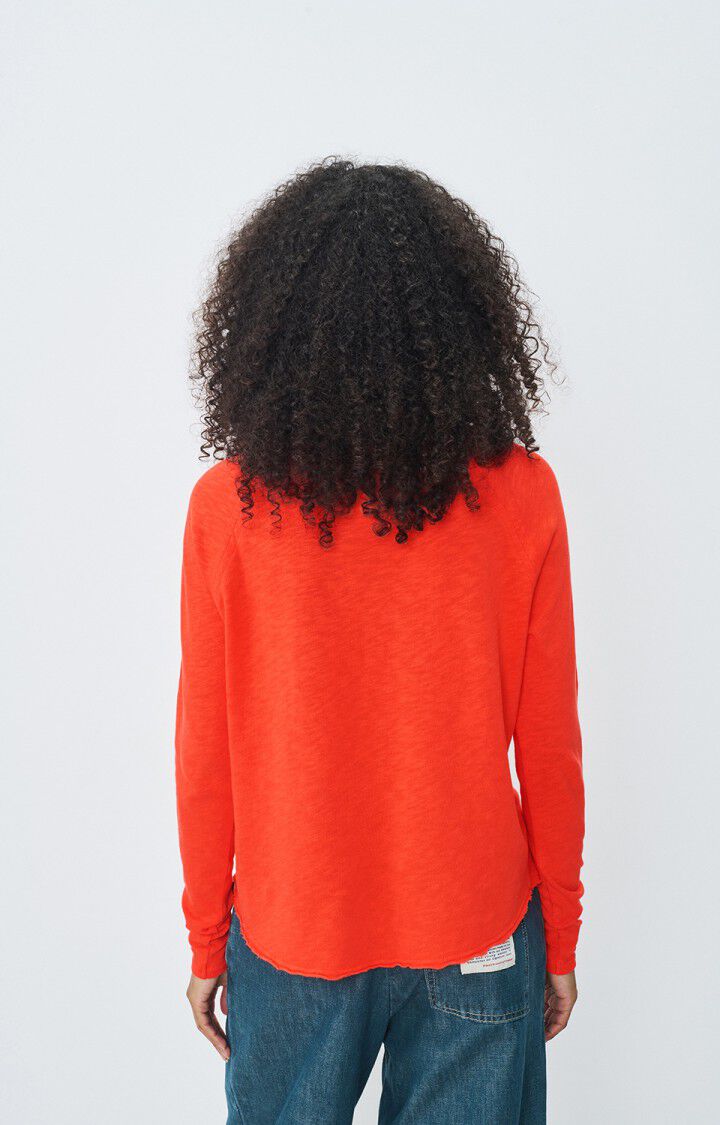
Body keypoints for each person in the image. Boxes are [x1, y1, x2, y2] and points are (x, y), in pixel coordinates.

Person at [175, 159, 584, 1124]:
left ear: (271, 328)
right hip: (478, 924)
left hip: (294, 930)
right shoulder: (522, 495)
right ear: (464, 322)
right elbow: (551, 743)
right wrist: (560, 936)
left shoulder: (229, 509)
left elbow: (205, 753)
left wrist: (206, 941)